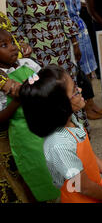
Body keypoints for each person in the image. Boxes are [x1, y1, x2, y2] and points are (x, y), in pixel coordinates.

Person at [19, 65, 102, 203]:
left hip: (96, 191)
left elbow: (87, 155)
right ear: (59, 106)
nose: (80, 90)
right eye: (74, 91)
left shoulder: (71, 120)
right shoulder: (59, 145)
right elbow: (83, 187)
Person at [0, 27, 60, 202]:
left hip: (44, 122)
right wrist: (18, 100)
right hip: (24, 134)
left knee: (55, 163)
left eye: (12, 42)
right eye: (4, 45)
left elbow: (45, 83)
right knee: (35, 170)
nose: (12, 47)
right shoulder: (3, 82)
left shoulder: (27, 64)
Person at [48, 0, 102, 120]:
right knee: (78, 71)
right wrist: (73, 41)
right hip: (68, 33)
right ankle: (84, 107)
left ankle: (91, 103)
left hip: (81, 27)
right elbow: (62, 13)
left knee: (87, 68)